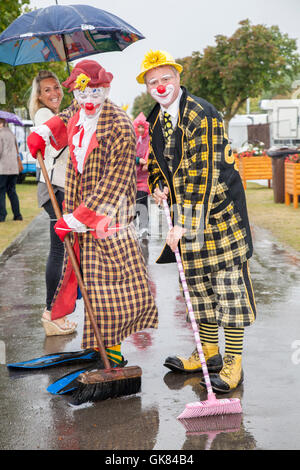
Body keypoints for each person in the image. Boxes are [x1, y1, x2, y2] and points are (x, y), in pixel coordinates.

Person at [136, 50, 256, 392]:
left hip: (221, 216)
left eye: (166, 79)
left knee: (228, 291)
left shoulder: (200, 114)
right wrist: (159, 187)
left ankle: (233, 362)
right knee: (199, 289)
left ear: (178, 78)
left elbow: (201, 176)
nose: (160, 86)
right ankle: (208, 353)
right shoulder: (157, 119)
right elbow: (157, 165)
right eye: (153, 81)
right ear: (147, 87)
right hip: (187, 218)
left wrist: (181, 224)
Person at [27, 60, 158, 366]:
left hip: (109, 216)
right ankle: (101, 347)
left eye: (95, 91)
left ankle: (111, 353)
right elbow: (65, 117)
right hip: (80, 208)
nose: (88, 99)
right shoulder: (80, 108)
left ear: (106, 90)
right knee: (90, 281)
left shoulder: (121, 125)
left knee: (111, 284)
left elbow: (116, 180)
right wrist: (44, 132)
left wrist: (77, 218)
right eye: (82, 92)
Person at [28, 70, 77, 336]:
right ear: (39, 96)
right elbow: (59, 141)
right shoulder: (44, 116)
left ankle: (55, 312)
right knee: (58, 251)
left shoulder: (57, 114)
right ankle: (51, 312)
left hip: (61, 188)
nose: (54, 93)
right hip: (54, 190)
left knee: (62, 251)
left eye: (56, 87)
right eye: (47, 90)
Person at [0, 118, 23, 222]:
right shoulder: (11, 134)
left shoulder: (0, 134)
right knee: (12, 191)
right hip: (13, 168)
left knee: (1, 192)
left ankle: (2, 215)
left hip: (3, 168)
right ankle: (17, 215)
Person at [133, 112, 150, 239]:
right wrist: (139, 161)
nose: (140, 129)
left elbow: (151, 152)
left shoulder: (149, 139)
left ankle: (144, 227)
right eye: (138, 127)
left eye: (142, 127)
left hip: (143, 178)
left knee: (142, 199)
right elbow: (127, 155)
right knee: (133, 203)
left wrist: (147, 161)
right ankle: (132, 226)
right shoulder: (131, 138)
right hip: (132, 177)